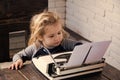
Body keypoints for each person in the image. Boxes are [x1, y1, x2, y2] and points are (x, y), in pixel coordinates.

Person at [9, 11, 82, 70]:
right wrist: (18, 60)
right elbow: (18, 55)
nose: (57, 38)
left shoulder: (64, 43)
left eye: (59, 33)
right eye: (51, 36)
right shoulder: (35, 47)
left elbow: (81, 46)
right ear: (40, 37)